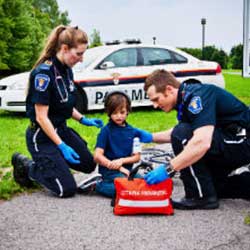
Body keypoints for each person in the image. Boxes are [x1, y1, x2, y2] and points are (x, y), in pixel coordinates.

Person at [137, 69, 250, 210]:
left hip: (243, 141)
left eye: (156, 99)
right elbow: (188, 131)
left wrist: (168, 169)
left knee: (182, 134)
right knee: (213, 186)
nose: (154, 105)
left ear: (169, 89)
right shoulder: (186, 99)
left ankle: (199, 197)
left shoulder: (198, 97)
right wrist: (149, 137)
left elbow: (201, 141)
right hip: (233, 141)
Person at [11, 25, 103, 198]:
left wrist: (83, 119)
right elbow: (41, 117)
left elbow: (64, 104)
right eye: (79, 54)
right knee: (66, 189)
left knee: (89, 164)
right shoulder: (44, 74)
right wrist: (61, 145)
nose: (82, 59)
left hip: (61, 129)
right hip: (42, 136)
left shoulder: (67, 70)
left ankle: (55, 164)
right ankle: (28, 166)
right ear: (65, 48)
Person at [79, 91, 141, 198]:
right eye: (114, 113)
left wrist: (121, 161)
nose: (118, 116)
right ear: (109, 113)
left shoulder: (133, 132)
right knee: (124, 190)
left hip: (128, 171)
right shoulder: (105, 131)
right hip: (109, 172)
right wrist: (115, 166)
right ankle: (97, 185)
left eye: (122, 112)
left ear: (127, 112)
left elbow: (137, 157)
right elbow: (97, 156)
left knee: (143, 183)